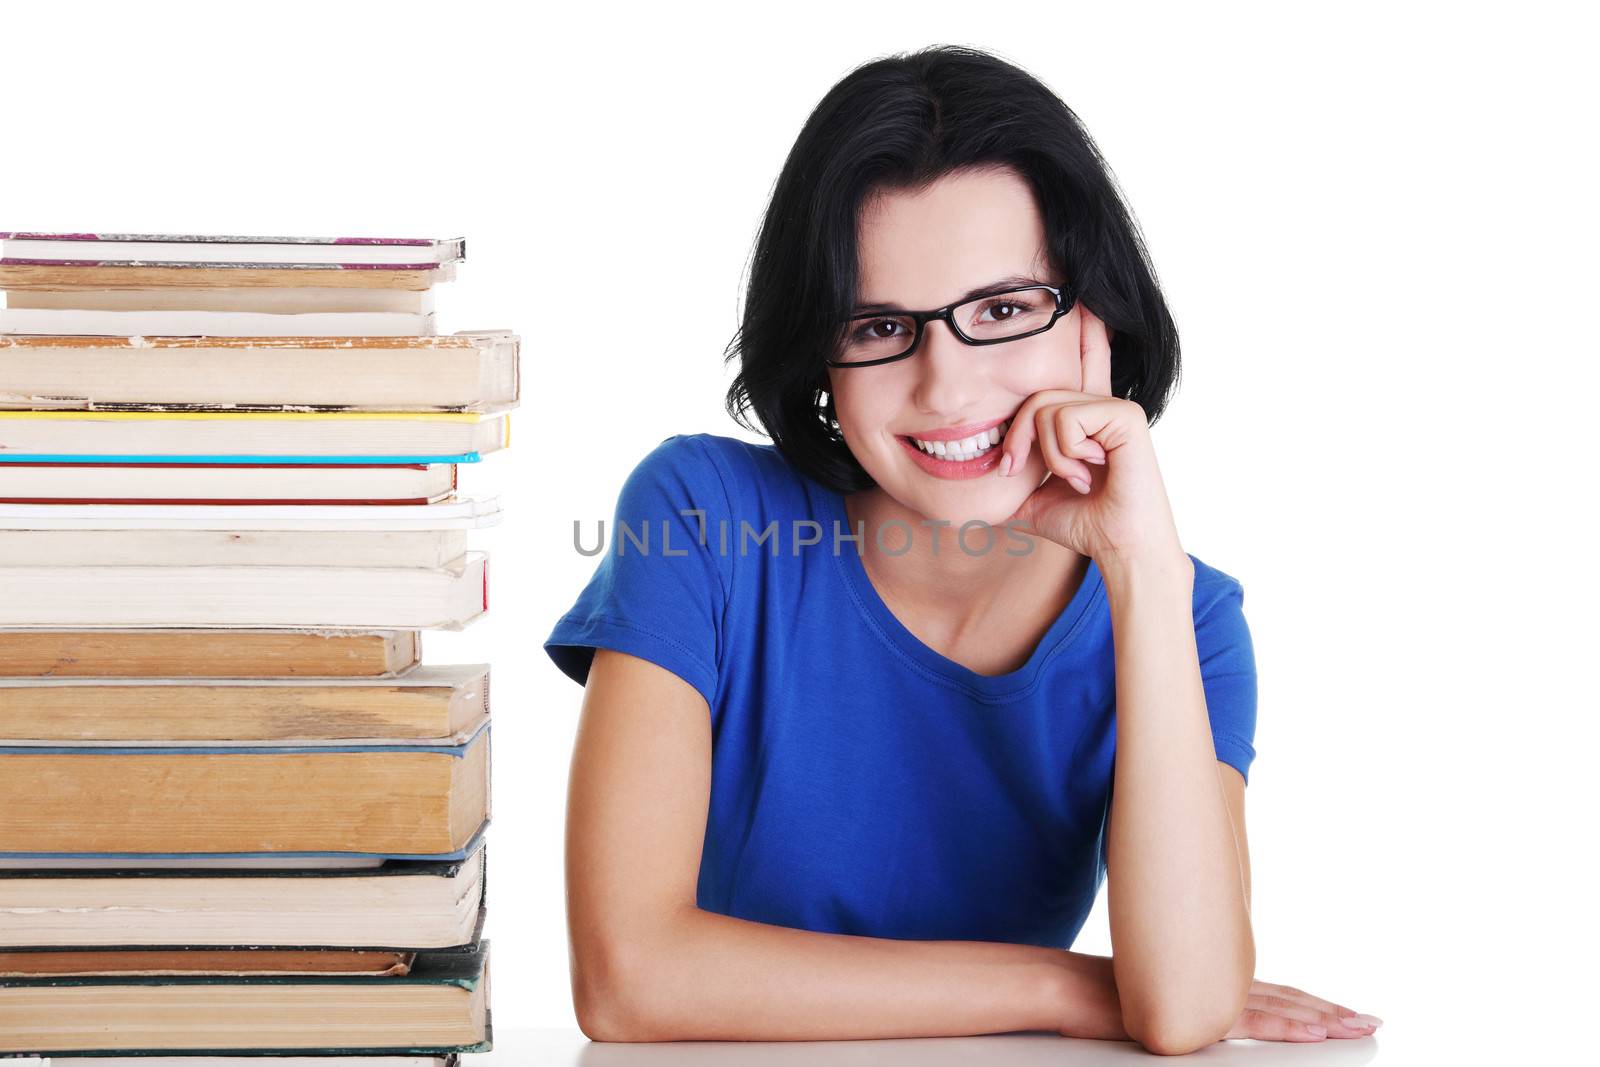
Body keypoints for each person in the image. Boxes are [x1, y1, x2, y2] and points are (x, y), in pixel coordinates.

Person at [544, 44, 1381, 1054]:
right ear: (824, 354)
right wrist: (1068, 984)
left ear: (1096, 324)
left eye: (1002, 309)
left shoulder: (1183, 617)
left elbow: (1184, 1008)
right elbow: (629, 981)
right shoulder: (698, 514)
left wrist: (1142, 568)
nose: (943, 386)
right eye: (881, 324)